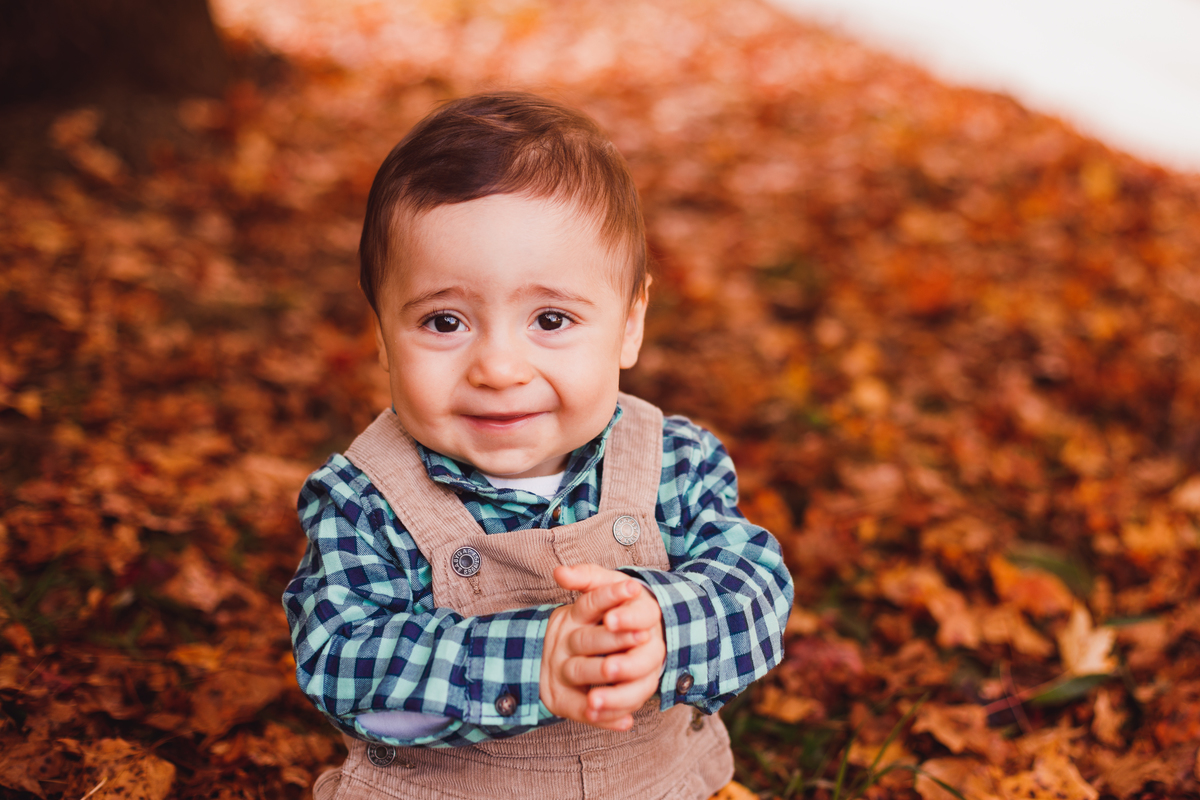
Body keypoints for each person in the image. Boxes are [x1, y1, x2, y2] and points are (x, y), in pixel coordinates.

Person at [283, 91, 794, 800]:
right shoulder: (366, 499)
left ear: (628, 326)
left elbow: (756, 588)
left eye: (550, 318)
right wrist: (538, 660)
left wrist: (666, 624)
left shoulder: (673, 463)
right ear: (380, 336)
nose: (498, 368)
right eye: (443, 321)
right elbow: (340, 662)